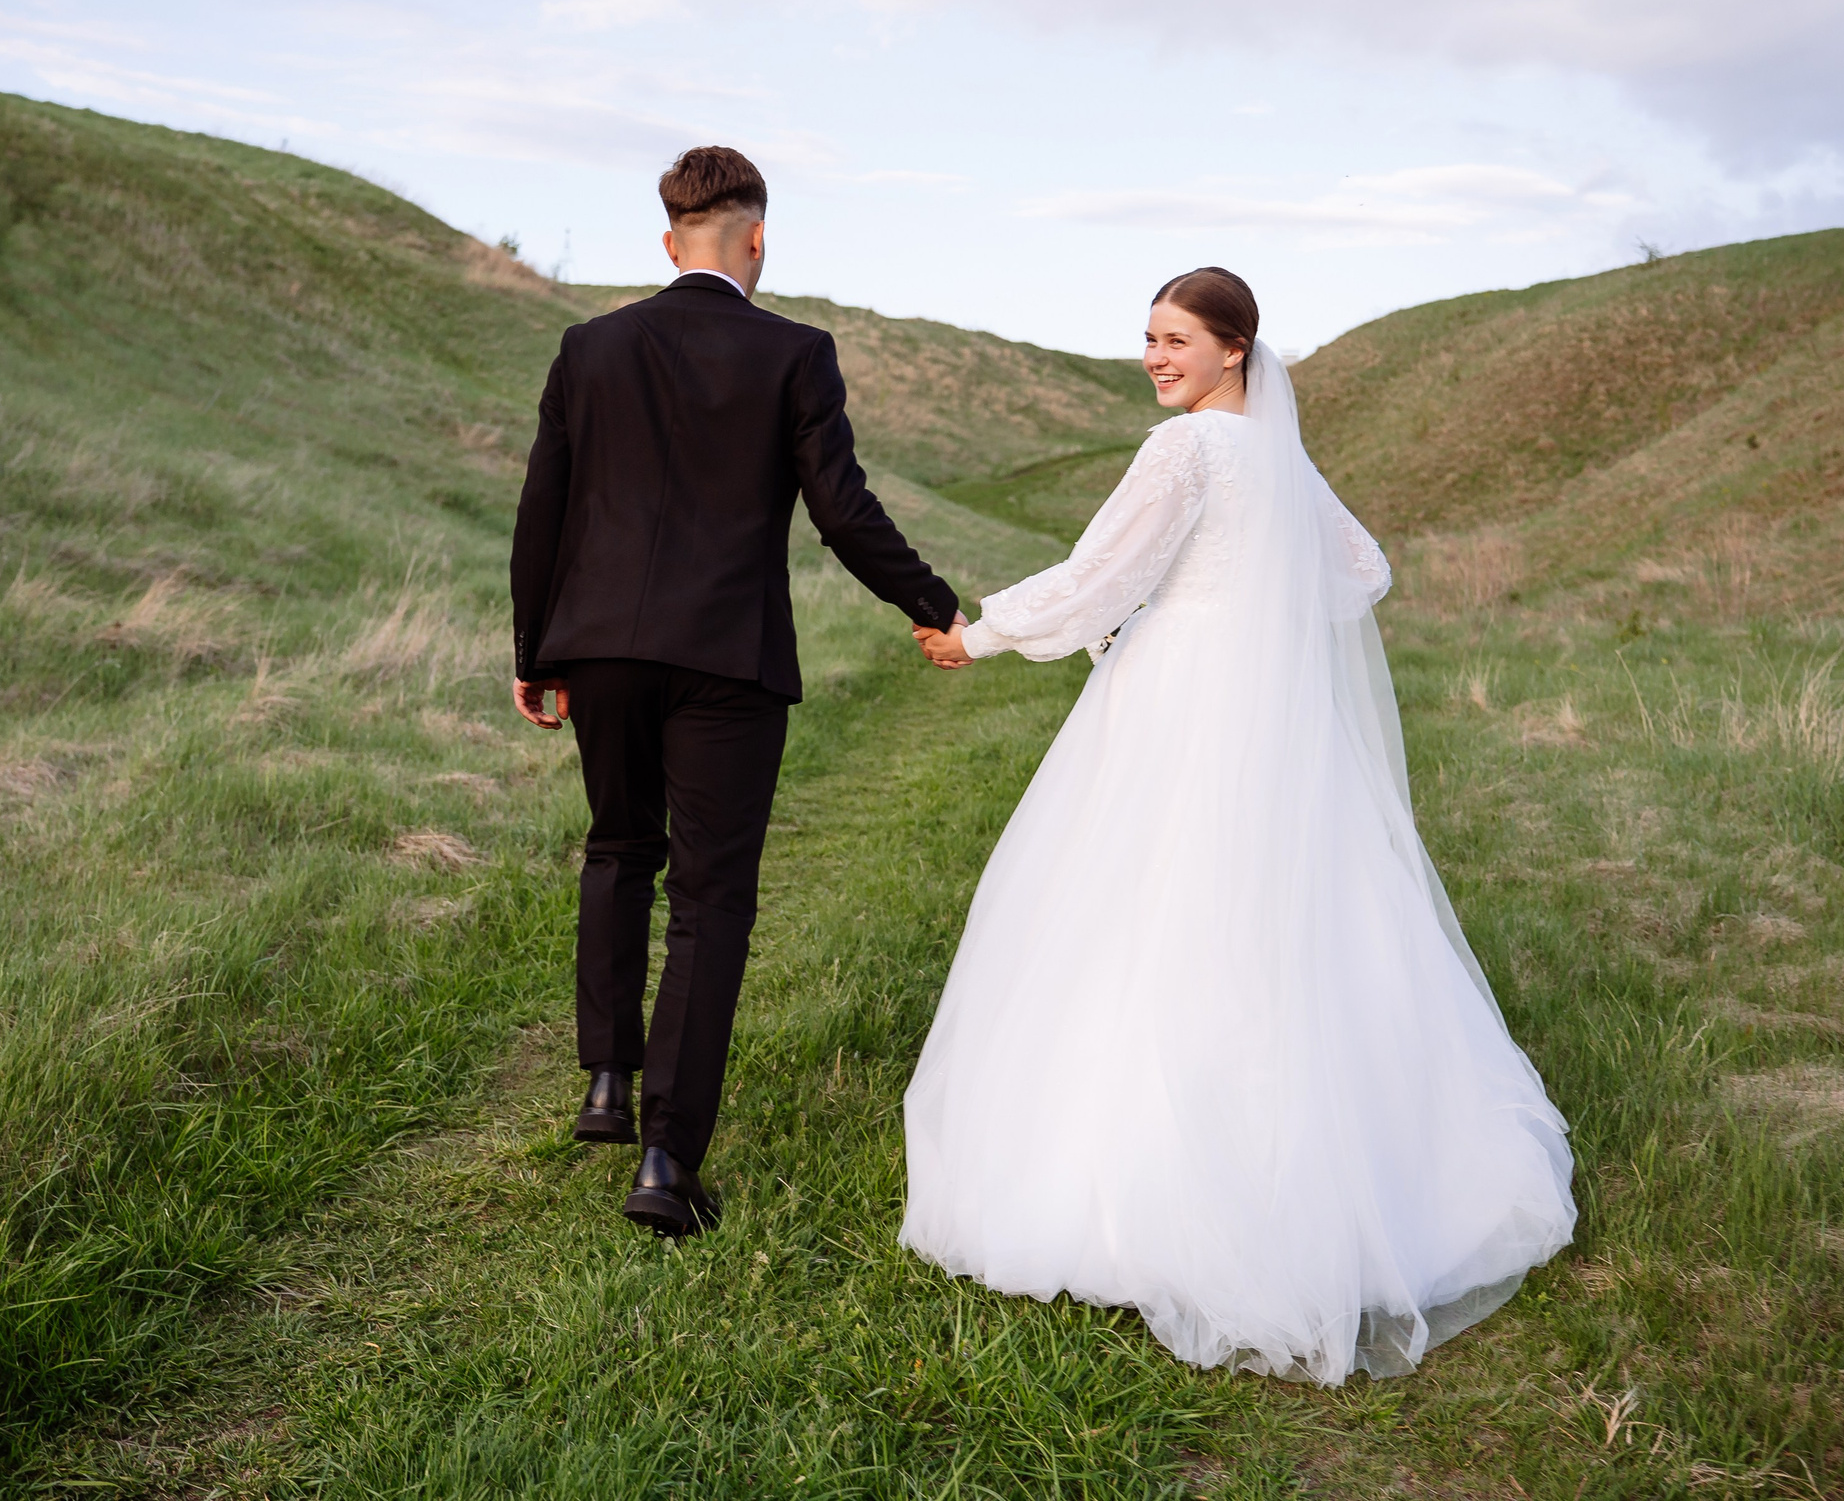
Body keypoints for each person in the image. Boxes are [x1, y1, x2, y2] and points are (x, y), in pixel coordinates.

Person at [901, 268, 1576, 1383]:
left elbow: (1097, 573)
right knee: (1283, 908)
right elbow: (1363, 567)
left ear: (1234, 348)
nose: (1155, 358)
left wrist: (979, 635)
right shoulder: (1279, 455)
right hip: (1268, 705)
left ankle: (1149, 1192)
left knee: (1144, 899)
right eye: (1148, 339)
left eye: (1176, 340)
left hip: (1178, 694)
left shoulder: (1187, 451)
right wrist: (1263, 617)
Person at [509, 146, 966, 1238]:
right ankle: (666, 1160)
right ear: (757, 238)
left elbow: (543, 508)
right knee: (710, 900)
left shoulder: (589, 347)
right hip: (727, 658)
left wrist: (536, 649)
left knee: (618, 848)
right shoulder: (795, 353)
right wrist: (933, 604)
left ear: (670, 242)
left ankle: (607, 1080)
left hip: (600, 650)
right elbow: (842, 509)